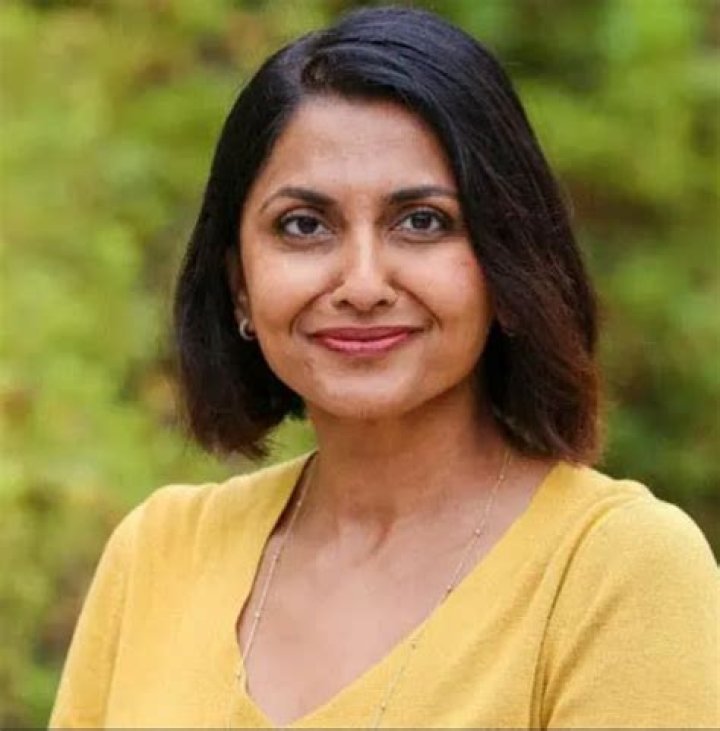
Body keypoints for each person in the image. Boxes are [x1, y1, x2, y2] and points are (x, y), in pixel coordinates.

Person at [50, 6, 718, 729]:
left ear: (506, 263)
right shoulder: (159, 554)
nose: (363, 284)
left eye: (422, 221)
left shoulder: (615, 570)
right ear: (240, 283)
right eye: (304, 225)